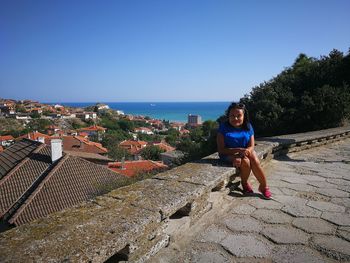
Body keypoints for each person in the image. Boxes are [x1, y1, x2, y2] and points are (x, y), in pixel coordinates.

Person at [217, 102, 271, 199]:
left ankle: (263, 186)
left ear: (244, 116)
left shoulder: (248, 126)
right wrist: (237, 152)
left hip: (245, 152)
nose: (235, 118)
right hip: (228, 153)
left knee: (254, 158)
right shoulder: (223, 128)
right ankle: (245, 183)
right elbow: (221, 150)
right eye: (232, 116)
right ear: (228, 116)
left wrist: (243, 153)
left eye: (239, 115)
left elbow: (251, 146)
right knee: (245, 162)